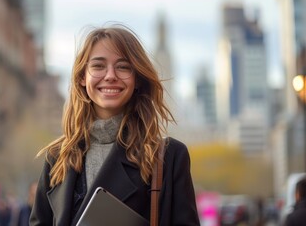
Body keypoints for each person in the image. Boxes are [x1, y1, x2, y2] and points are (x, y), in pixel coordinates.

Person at [30, 24, 200, 226]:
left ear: (136, 79)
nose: (110, 75)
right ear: (83, 77)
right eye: (98, 66)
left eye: (122, 67)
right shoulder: (57, 157)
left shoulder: (169, 158)